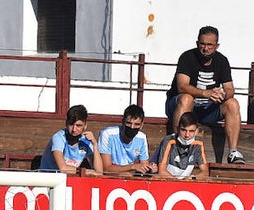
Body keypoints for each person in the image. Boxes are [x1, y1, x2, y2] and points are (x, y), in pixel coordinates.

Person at [166, 26, 245, 164]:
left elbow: (230, 89)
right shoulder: (187, 57)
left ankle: (233, 152)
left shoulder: (222, 61)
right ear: (197, 43)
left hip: (207, 109)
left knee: (233, 103)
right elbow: (182, 86)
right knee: (186, 98)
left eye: (210, 45)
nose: (205, 48)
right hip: (182, 106)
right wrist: (205, 93)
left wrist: (222, 95)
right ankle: (177, 147)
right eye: (202, 44)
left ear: (217, 46)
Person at [39, 104, 102, 174]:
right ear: (66, 124)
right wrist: (86, 172)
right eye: (71, 124)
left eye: (78, 125)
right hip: (49, 178)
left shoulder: (86, 141)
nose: (74, 129)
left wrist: (95, 145)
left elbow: (99, 173)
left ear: (85, 126)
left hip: (70, 178)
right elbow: (63, 168)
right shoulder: (59, 137)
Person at [98, 104, 156, 176]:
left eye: (136, 124)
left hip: (130, 177)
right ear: (123, 122)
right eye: (128, 123)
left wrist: (150, 168)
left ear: (141, 126)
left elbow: (144, 165)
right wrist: (133, 167)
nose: (132, 127)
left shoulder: (142, 138)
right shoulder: (108, 134)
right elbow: (106, 169)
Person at [154, 112, 209, 179]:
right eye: (183, 130)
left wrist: (191, 178)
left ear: (197, 131)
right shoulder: (169, 141)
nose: (187, 135)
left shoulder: (199, 143)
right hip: (168, 180)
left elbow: (205, 173)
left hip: (186, 182)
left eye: (191, 131)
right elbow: (162, 171)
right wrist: (178, 183)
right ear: (177, 129)